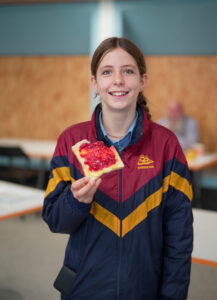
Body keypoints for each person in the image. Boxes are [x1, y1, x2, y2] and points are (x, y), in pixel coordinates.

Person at [42, 37, 193, 300]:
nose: (118, 80)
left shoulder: (167, 145)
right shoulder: (70, 141)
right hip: (83, 288)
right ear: (95, 83)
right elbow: (55, 219)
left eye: (128, 71)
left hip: (144, 290)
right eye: (107, 71)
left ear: (142, 81)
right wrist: (76, 201)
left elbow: (179, 240)